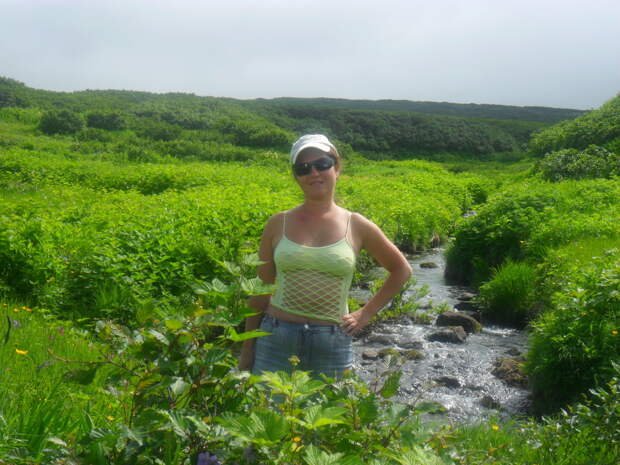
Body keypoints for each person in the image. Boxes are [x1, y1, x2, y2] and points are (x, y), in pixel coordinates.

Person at [239, 134, 412, 378]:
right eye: (303, 168)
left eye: (322, 164)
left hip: (331, 343)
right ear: (296, 176)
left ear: (336, 168)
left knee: (331, 404)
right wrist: (247, 350)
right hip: (276, 338)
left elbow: (401, 269)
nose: (314, 173)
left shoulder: (356, 224)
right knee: (267, 403)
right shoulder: (278, 223)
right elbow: (260, 292)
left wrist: (366, 313)